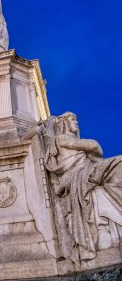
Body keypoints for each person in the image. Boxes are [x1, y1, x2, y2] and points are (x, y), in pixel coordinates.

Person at [44, 112, 122, 264]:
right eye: (73, 120)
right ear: (64, 123)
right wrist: (90, 149)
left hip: (87, 171)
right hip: (80, 175)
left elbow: (98, 152)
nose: (76, 123)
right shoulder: (61, 139)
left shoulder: (71, 141)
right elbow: (95, 146)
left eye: (76, 121)